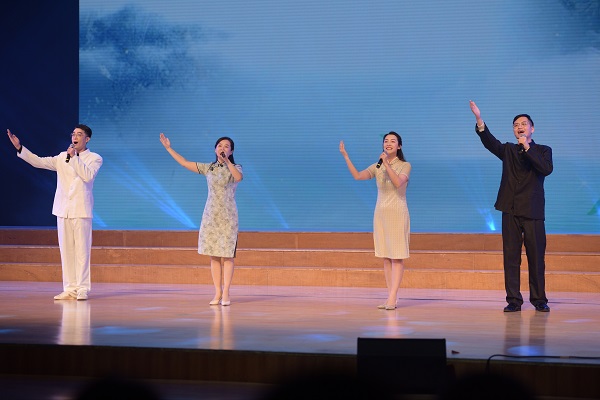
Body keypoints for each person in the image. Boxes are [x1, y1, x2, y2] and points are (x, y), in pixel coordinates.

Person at [469, 100, 553, 312]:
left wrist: (527, 147)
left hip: (533, 210)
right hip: (511, 209)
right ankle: (514, 300)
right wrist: (479, 119)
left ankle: (539, 300)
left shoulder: (543, 150)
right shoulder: (508, 150)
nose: (519, 127)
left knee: (536, 257)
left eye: (524, 124)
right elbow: (490, 142)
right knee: (511, 257)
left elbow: (545, 169)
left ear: (532, 128)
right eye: (516, 125)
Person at [7, 125, 103, 301]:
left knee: (82, 252)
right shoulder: (61, 157)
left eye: (79, 134)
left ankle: (82, 288)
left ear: (87, 139)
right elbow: (39, 161)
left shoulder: (94, 158)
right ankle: (69, 288)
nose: (75, 137)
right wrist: (20, 148)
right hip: (63, 209)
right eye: (73, 134)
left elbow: (87, 176)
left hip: (81, 210)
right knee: (66, 252)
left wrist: (74, 158)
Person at [160, 133, 243, 306]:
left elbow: (238, 178)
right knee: (214, 255)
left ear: (231, 151)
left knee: (227, 256)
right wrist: (168, 148)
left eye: (226, 146)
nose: (222, 148)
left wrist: (227, 162)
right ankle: (217, 292)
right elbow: (184, 163)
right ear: (215, 149)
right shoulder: (208, 168)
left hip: (228, 217)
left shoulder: (236, 167)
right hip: (211, 216)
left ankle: (226, 292)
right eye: (219, 145)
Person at [339, 132, 411, 310]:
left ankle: (393, 297)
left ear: (399, 146)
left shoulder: (405, 165)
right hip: (381, 214)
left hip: (397, 214)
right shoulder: (376, 166)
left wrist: (386, 164)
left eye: (393, 141)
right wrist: (346, 156)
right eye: (386, 141)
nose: (388, 144)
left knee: (397, 257)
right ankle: (390, 296)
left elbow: (398, 183)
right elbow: (358, 176)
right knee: (386, 257)